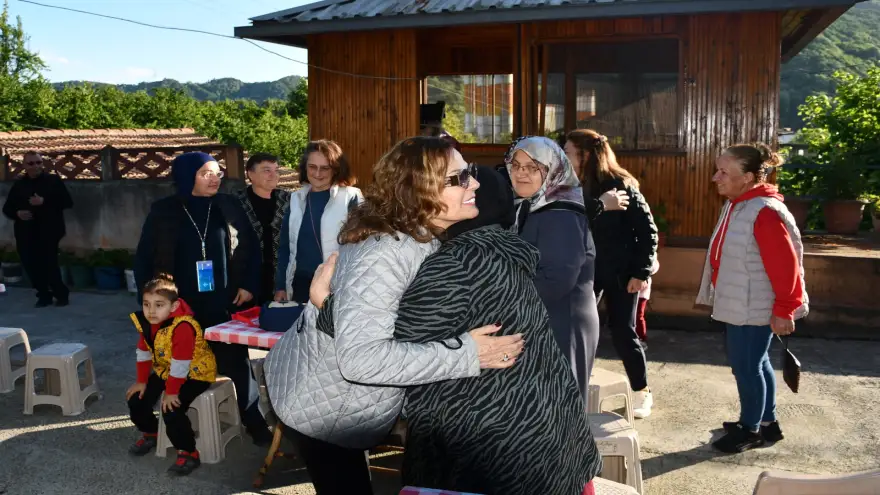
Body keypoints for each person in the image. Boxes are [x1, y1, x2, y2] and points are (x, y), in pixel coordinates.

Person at [264, 137, 524, 495]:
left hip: (343, 404)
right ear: (420, 188)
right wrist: (468, 354)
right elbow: (362, 359)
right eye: (460, 177)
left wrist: (326, 304)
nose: (474, 184)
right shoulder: (386, 251)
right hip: (321, 404)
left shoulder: (418, 235)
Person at [380, 165, 602, 494]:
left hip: (499, 458)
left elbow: (382, 344)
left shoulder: (458, 264)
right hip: (555, 447)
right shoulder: (505, 252)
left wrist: (327, 305)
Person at [133, 151, 272, 445]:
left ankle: (255, 423)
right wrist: (151, 302)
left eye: (217, 173)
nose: (215, 179)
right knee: (174, 365)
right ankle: (157, 424)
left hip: (222, 303)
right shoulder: (164, 211)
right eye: (206, 173)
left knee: (238, 366)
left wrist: (248, 285)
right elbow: (144, 257)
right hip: (180, 308)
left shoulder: (229, 205)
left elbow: (250, 247)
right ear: (188, 176)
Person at [696, 143, 808, 454]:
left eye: (723, 172)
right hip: (742, 301)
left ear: (747, 177)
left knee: (746, 367)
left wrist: (785, 309)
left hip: (751, 305)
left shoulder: (763, 212)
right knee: (757, 363)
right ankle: (767, 423)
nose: (715, 178)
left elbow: (786, 266)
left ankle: (750, 429)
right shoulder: (740, 204)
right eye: (717, 170)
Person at [564, 129, 659, 419]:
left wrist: (640, 272)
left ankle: (642, 391)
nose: (563, 157)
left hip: (621, 273)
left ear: (586, 155)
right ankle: (577, 383)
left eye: (568, 152)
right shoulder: (571, 184)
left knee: (622, 331)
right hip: (586, 271)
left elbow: (648, 232)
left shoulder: (620, 185)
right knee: (580, 327)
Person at [505, 136, 600, 402]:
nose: (521, 173)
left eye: (533, 167)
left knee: (557, 407)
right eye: (516, 165)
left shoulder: (561, 214)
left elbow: (557, 279)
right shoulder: (532, 205)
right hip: (543, 318)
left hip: (561, 323)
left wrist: (505, 301)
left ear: (553, 170)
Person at [125, 274, 217, 475]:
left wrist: (171, 392)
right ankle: (151, 432)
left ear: (173, 306)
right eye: (146, 304)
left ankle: (188, 451)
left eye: (159, 305)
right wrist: (141, 381)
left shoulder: (183, 326)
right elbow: (143, 352)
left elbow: (181, 364)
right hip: (167, 369)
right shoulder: (147, 323)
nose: (151, 311)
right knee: (136, 399)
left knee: (171, 408)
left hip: (195, 373)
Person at [273, 140, 362, 304]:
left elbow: (361, 247)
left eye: (325, 168)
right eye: (312, 167)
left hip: (336, 285)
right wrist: (281, 286)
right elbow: (285, 247)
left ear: (336, 169)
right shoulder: (295, 199)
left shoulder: (351, 197)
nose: (318, 173)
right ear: (305, 168)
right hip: (299, 285)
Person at [2, 151, 73, 307]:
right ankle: (43, 295)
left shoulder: (53, 181)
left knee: (49, 264)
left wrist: (44, 201)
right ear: (24, 165)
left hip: (49, 230)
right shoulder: (19, 185)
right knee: (31, 265)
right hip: (25, 232)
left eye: (39, 162)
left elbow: (67, 202)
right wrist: (17, 213)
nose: (36, 166)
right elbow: (7, 208)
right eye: (31, 163)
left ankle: (61, 295)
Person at [235, 153, 292, 305]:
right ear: (250, 174)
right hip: (248, 279)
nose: (274, 175)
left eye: (276, 170)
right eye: (267, 170)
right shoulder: (236, 202)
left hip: (282, 279)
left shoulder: (289, 201)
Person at [635, 258, 660, 343]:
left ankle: (641, 337)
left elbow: (654, 267)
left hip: (642, 288)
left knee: (638, 315)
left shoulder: (650, 256)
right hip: (633, 288)